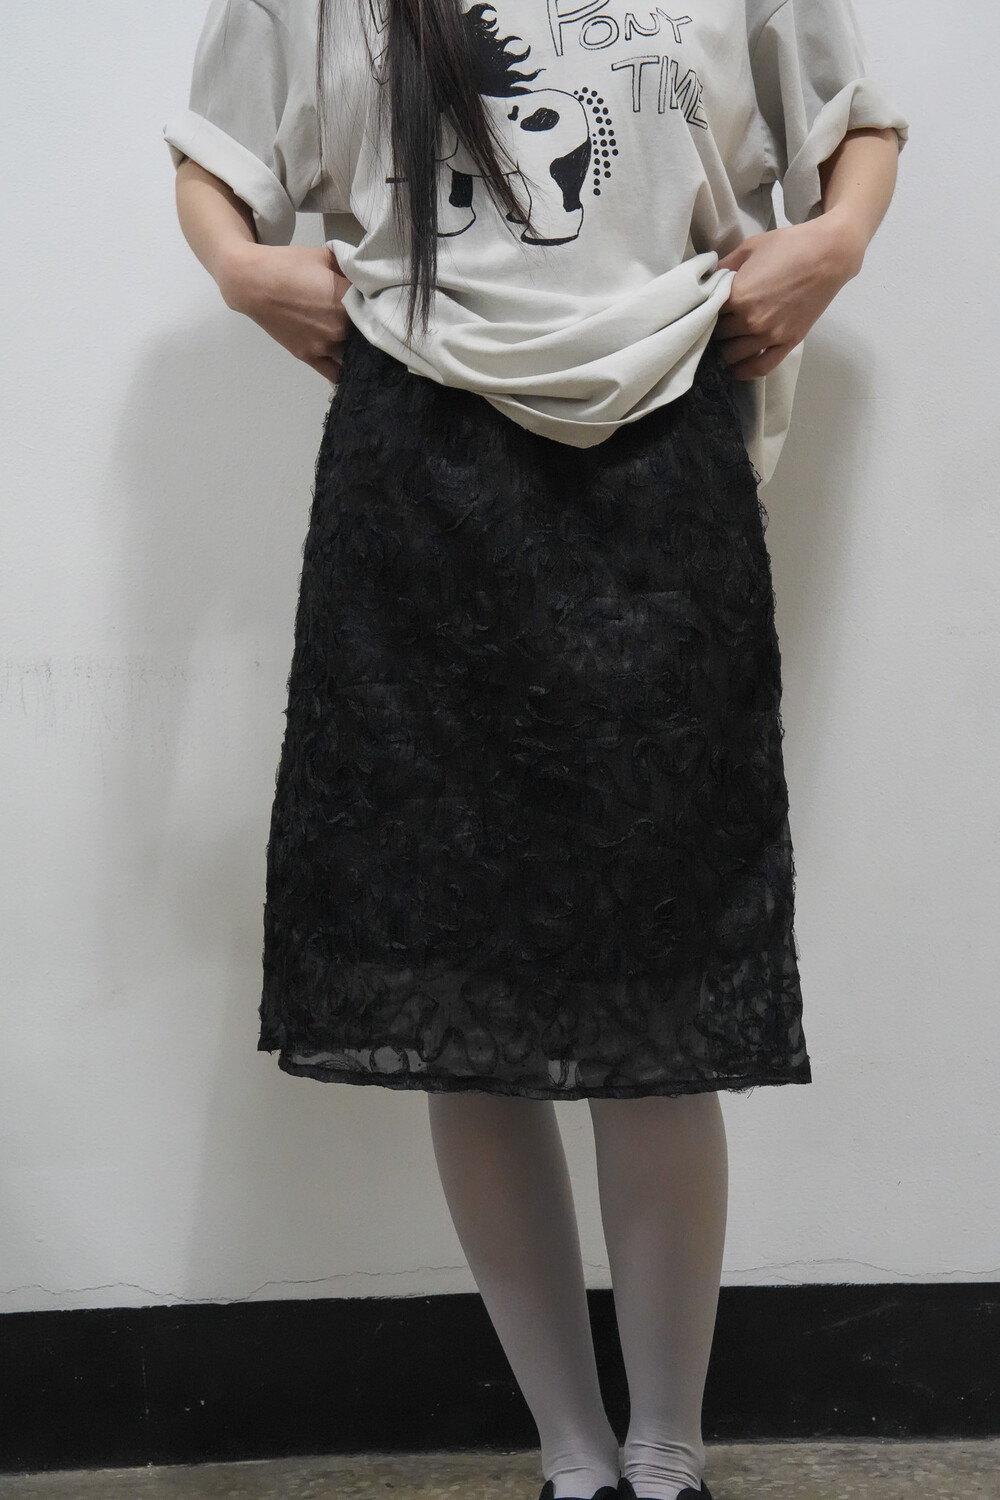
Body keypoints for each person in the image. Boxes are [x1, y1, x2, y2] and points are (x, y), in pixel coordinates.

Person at [164, 2, 907, 1497]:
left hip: (663, 471)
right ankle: (574, 1459)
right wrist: (245, 272)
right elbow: (213, 160)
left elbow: (859, 129)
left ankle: (668, 1455)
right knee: (466, 992)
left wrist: (831, 247)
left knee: (658, 985)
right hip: (419, 487)